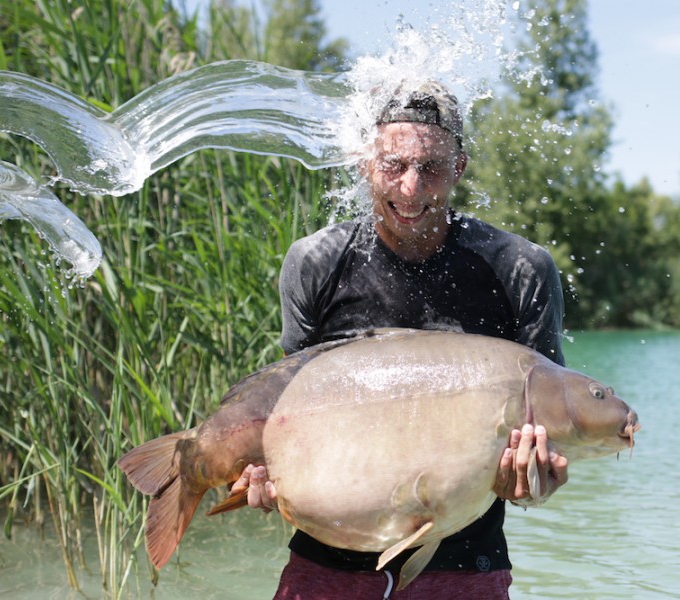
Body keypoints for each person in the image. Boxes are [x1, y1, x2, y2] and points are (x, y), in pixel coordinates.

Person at [231, 80, 569, 599]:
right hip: (326, 568)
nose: (411, 188)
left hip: (465, 569)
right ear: (366, 161)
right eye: (393, 165)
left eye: (431, 168)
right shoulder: (316, 263)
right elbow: (293, 421)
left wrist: (535, 481)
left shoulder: (521, 269)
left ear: (458, 168)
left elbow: (546, 449)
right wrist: (261, 475)